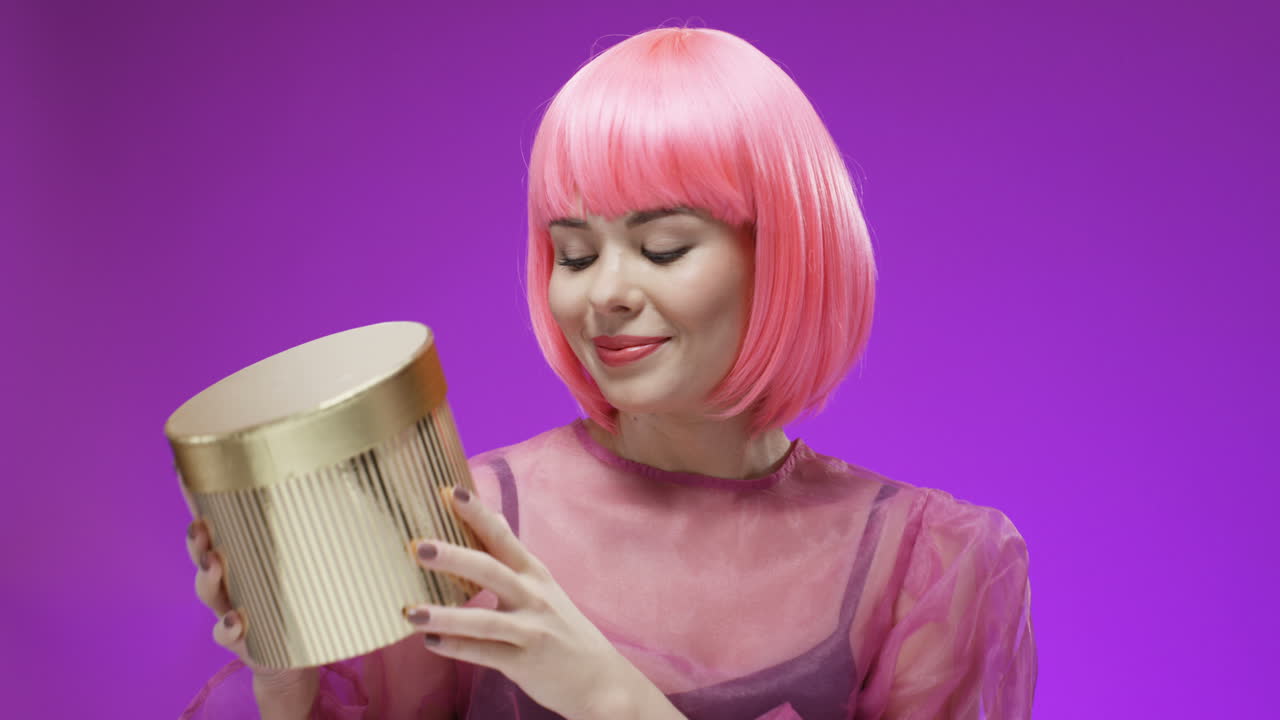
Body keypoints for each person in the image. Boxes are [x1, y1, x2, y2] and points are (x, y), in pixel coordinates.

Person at [180, 25, 1037, 720]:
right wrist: (284, 676)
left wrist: (605, 697)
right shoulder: (467, 530)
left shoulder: (933, 566)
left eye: (663, 247)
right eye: (575, 253)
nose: (606, 295)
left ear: (781, 256)